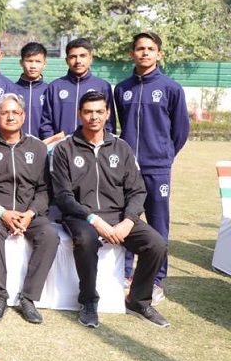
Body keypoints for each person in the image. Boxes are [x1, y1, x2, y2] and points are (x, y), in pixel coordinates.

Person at [51, 92, 169, 329]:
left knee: (156, 243)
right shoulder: (65, 149)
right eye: (88, 112)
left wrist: (128, 221)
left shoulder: (121, 147)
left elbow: (137, 191)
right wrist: (93, 220)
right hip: (80, 215)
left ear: (107, 114)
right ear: (80, 114)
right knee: (86, 239)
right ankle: (88, 302)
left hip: (118, 215)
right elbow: (63, 196)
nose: (93, 117)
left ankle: (138, 300)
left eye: (99, 112)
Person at [114, 31, 190, 304]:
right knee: (126, 221)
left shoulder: (171, 88)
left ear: (159, 54)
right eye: (139, 48)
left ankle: (156, 280)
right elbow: (121, 126)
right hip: (127, 170)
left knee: (158, 224)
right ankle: (123, 275)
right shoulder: (122, 89)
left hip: (157, 169)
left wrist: (163, 155)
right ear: (132, 54)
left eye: (150, 48)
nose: (145, 52)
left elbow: (180, 131)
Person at [0, 93, 59, 324]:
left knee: (50, 235)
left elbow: (44, 189)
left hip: (28, 212)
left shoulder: (38, 148)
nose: (10, 117)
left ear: (24, 116)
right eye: (5, 112)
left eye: (15, 112)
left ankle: (28, 298)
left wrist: (30, 214)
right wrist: (1, 212)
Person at [39, 37, 116, 140]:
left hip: (92, 149)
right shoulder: (55, 86)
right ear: (67, 60)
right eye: (73, 57)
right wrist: (54, 146)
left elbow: (109, 124)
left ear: (90, 58)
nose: (78, 61)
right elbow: (46, 123)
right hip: (62, 150)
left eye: (82, 56)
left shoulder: (103, 86)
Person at [14, 42, 49, 139]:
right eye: (29, 61)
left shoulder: (49, 90)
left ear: (44, 64)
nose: (33, 66)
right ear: (21, 62)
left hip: (43, 145)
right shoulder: (11, 89)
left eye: (38, 61)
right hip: (17, 146)